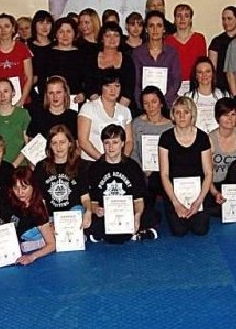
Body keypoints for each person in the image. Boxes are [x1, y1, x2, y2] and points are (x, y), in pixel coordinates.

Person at [0, 166, 55, 266]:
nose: (20, 192)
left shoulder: (38, 210)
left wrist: (32, 256)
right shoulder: (3, 194)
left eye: (24, 188)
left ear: (33, 186)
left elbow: (51, 244)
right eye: (16, 188)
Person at [85, 124, 157, 243]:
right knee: (90, 218)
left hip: (129, 211)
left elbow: (139, 200)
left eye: (115, 142)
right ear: (102, 144)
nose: (110, 147)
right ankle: (135, 233)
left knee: (149, 213)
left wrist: (137, 216)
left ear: (123, 143)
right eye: (107, 143)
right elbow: (93, 202)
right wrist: (96, 210)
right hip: (106, 214)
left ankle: (116, 233)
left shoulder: (132, 166)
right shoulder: (94, 168)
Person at [158, 97, 213, 237]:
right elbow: (164, 174)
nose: (182, 116)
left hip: (198, 191)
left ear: (192, 115)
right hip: (174, 192)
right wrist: (175, 203)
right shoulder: (165, 137)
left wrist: (199, 201)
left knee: (200, 230)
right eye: (178, 112)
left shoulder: (202, 137)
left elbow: (208, 173)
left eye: (186, 112)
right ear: (173, 115)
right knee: (179, 231)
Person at [34, 125, 91, 225]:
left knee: (78, 209)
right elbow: (40, 200)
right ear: (50, 145)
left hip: (73, 216)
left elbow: (85, 198)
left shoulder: (80, 165)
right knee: (29, 232)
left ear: (70, 143)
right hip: (51, 217)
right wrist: (46, 222)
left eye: (62, 142)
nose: (58, 147)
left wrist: (88, 212)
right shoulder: (41, 167)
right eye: (54, 143)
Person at [207, 98, 236, 215]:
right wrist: (214, 192)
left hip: (235, 182)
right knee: (210, 210)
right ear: (217, 117)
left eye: (233, 114)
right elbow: (206, 172)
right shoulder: (210, 139)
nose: (230, 118)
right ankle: (231, 207)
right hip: (215, 185)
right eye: (225, 115)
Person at [131, 85, 172, 216]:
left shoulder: (171, 125)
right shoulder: (136, 123)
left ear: (161, 103)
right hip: (142, 171)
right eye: (146, 103)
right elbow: (133, 150)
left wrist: (162, 169)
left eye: (154, 102)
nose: (150, 106)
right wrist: (142, 168)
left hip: (165, 172)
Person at [77, 69, 133, 161]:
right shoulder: (88, 108)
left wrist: (123, 160)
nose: (113, 90)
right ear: (101, 87)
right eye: (108, 86)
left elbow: (129, 141)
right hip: (92, 162)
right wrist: (103, 161)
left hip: (118, 163)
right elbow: (83, 142)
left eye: (117, 86)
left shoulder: (125, 111)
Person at [131, 10, 182, 108]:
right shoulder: (137, 53)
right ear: (146, 29)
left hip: (167, 105)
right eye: (151, 26)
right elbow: (136, 83)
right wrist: (143, 104)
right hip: (144, 106)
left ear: (164, 29)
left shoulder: (172, 53)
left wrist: (162, 102)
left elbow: (176, 81)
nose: (155, 29)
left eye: (159, 26)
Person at [36, 16, 88, 106]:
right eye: (61, 32)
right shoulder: (46, 54)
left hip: (76, 101)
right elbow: (41, 81)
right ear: (55, 34)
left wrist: (84, 95)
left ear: (74, 33)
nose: (65, 35)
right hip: (52, 102)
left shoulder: (83, 54)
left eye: (68, 31)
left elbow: (88, 80)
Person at [0, 14, 34, 107]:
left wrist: (22, 100)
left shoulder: (23, 49)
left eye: (7, 26)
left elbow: (29, 78)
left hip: (22, 101)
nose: (3, 30)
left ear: (13, 29)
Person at [0, 78, 30, 166]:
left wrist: (14, 165)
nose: (2, 95)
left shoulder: (23, 114)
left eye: (6, 91)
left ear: (13, 93)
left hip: (20, 165)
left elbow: (28, 143)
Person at [86, 21, 135, 108]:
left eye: (116, 36)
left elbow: (128, 89)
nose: (112, 39)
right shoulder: (91, 59)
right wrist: (102, 109)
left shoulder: (127, 60)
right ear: (101, 39)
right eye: (108, 36)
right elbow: (90, 87)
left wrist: (117, 110)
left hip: (123, 107)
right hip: (96, 107)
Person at [27, 75, 78, 141]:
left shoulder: (74, 117)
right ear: (46, 95)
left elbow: (77, 144)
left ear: (65, 93)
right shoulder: (38, 116)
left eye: (58, 92)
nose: (55, 96)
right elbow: (31, 141)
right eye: (51, 93)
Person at [165, 3, 208, 82]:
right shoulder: (167, 41)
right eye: (179, 16)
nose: (182, 19)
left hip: (195, 83)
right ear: (175, 19)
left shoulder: (199, 39)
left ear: (190, 19)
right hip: (174, 83)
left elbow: (203, 64)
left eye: (186, 16)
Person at [187, 56, 227, 134]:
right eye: (200, 72)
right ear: (196, 75)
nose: (204, 75)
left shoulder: (223, 95)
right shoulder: (188, 97)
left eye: (207, 71)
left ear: (213, 73)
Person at [209, 5, 236, 94]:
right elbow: (213, 68)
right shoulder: (217, 41)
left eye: (229, 19)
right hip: (222, 87)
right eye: (223, 19)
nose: (226, 22)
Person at [27, 10, 54, 96]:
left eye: (48, 23)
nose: (45, 26)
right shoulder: (26, 45)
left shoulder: (56, 45)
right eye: (41, 23)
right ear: (34, 25)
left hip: (53, 89)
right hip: (32, 90)